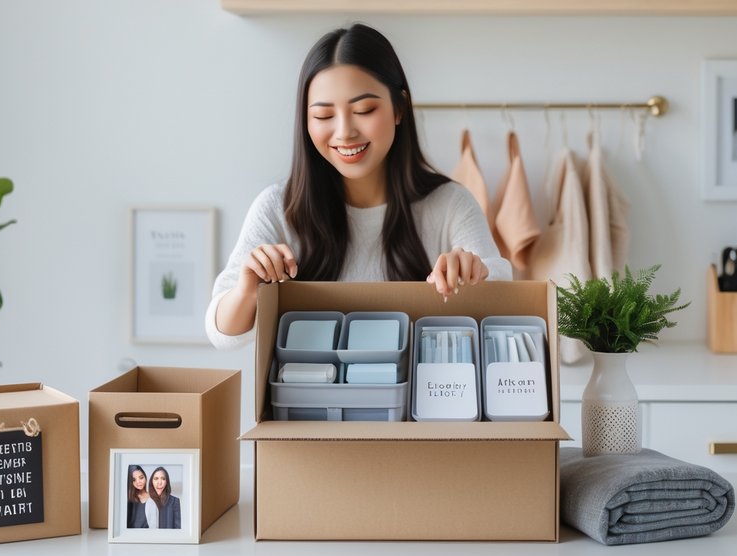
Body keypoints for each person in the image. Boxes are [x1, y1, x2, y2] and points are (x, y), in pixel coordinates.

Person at [206, 23, 511, 348]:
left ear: (399, 108)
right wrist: (247, 291)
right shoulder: (279, 207)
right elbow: (222, 333)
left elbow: (503, 290)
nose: (344, 132)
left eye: (364, 110)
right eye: (324, 116)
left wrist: (473, 270)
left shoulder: (449, 203)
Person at [126, 464, 150, 529]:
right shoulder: (128, 498)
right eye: (134, 480)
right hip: (131, 534)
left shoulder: (153, 496)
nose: (138, 482)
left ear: (145, 477)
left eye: (141, 477)